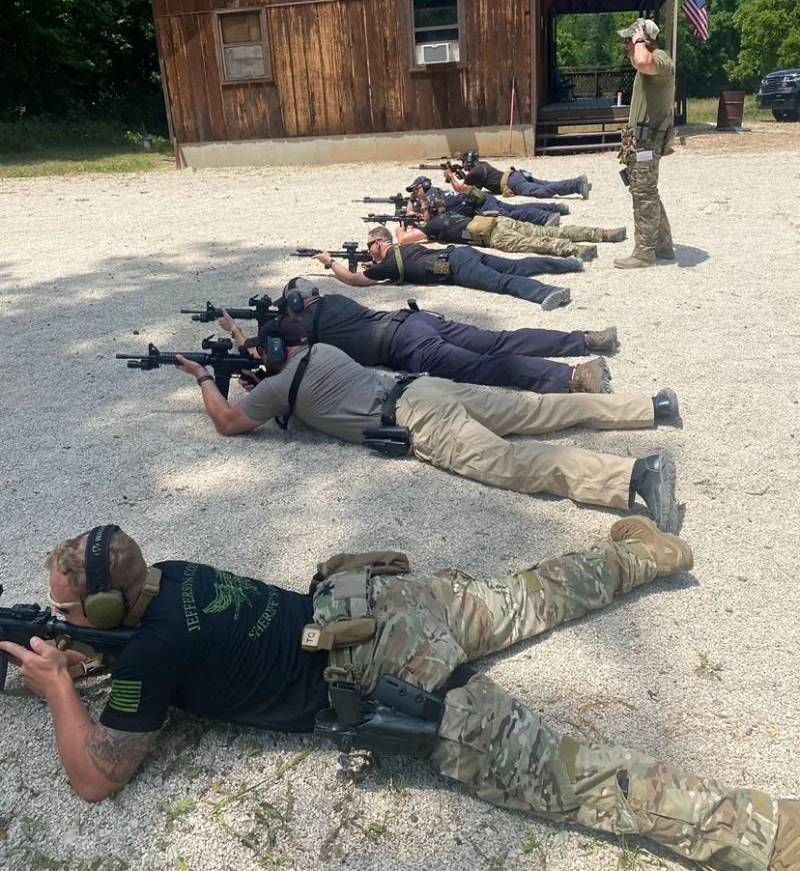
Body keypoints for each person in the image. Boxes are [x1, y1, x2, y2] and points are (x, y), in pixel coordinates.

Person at [4, 525, 798, 871]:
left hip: (390, 675)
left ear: (109, 609)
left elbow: (97, 775)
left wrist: (54, 689)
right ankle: (651, 553)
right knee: (530, 593)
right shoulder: (172, 578)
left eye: (71, 611)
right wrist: (75, 647)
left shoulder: (152, 651)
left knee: (569, 774)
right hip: (383, 604)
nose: (65, 621)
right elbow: (161, 641)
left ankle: (766, 834)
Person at [174, 320, 681, 531]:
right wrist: (264, 376)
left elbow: (226, 422)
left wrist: (203, 378)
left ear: (274, 354)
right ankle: (650, 406)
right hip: (424, 388)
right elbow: (296, 386)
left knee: (512, 462)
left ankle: (635, 477)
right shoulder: (322, 351)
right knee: (536, 411)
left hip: (415, 419)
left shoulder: (276, 388)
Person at [218, 277, 618, 394]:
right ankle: (585, 339)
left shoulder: (300, 326)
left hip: (406, 346)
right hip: (415, 322)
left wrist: (237, 331)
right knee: (500, 341)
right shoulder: (333, 302)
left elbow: (264, 354)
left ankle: (573, 377)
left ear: (292, 303)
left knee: (485, 367)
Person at [314, 225, 576, 310]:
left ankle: (547, 293)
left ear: (378, 242)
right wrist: (376, 264)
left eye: (369, 244)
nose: (368, 248)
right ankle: (568, 264)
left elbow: (353, 280)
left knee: (502, 283)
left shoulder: (390, 264)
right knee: (516, 267)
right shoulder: (396, 254)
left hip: (456, 268)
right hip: (460, 253)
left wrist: (330, 262)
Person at [397, 189, 626, 260]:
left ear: (431, 212)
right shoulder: (448, 215)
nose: (421, 213)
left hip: (492, 236)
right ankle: (602, 233)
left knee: (536, 243)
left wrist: (401, 224)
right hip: (498, 221)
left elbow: (404, 240)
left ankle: (577, 250)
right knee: (550, 230)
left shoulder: (434, 224)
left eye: (423, 210)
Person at [614, 18, 675, 269]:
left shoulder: (660, 60)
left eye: (630, 39)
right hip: (640, 141)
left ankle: (645, 253)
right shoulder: (648, 63)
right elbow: (637, 60)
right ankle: (663, 245)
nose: (626, 44)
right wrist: (635, 45)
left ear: (645, 40)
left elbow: (642, 60)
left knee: (644, 195)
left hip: (647, 142)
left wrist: (639, 41)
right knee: (647, 192)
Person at [406, 173, 568, 227]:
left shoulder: (431, 196)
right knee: (513, 208)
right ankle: (554, 207)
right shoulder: (435, 192)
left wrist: (413, 212)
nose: (414, 193)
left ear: (425, 186)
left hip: (479, 205)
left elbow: (431, 219)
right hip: (479, 198)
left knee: (511, 214)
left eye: (416, 189)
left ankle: (545, 217)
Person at [447, 150, 592, 200]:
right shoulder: (481, 166)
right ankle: (577, 183)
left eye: (464, 163)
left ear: (468, 162)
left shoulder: (475, 171)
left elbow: (460, 189)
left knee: (542, 191)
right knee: (546, 184)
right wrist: (461, 175)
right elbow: (475, 188)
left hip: (512, 183)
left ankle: (577, 184)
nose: (464, 165)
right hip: (515, 175)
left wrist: (451, 176)